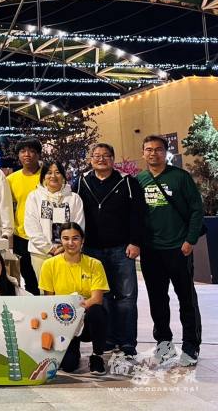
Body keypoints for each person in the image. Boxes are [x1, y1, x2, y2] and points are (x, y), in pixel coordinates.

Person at [137, 135, 203, 367]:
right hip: (151, 251)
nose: (153, 153)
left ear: (166, 153)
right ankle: (164, 343)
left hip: (178, 248)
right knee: (157, 299)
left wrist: (190, 240)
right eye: (148, 149)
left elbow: (196, 210)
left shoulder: (180, 177)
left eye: (158, 149)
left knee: (186, 298)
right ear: (143, 153)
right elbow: (134, 215)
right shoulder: (139, 180)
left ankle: (191, 345)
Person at [75, 142, 145, 358]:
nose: (101, 159)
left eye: (106, 155)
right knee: (101, 297)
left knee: (126, 297)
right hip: (92, 250)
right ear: (90, 159)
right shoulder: (81, 182)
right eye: (96, 155)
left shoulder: (128, 182)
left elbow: (138, 214)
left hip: (122, 249)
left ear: (113, 159)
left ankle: (127, 342)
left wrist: (135, 242)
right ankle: (106, 339)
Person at [38, 222, 109, 375]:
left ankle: (97, 355)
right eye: (66, 238)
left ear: (82, 240)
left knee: (97, 311)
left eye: (75, 238)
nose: (70, 243)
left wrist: (76, 310)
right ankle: (71, 349)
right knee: (69, 366)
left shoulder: (95, 264)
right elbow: (49, 301)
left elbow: (96, 299)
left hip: (86, 318)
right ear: (60, 241)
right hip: (63, 320)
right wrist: (68, 315)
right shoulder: (49, 265)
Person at [24, 160, 85, 278]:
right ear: (43, 177)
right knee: (45, 288)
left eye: (57, 172)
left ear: (63, 176)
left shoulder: (74, 198)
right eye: (49, 173)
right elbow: (31, 226)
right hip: (40, 254)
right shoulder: (34, 197)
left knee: (68, 286)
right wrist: (49, 248)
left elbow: (79, 226)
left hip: (69, 252)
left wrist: (64, 247)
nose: (53, 176)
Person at [6, 137, 43, 295]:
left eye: (32, 151)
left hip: (44, 236)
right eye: (23, 151)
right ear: (18, 155)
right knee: (28, 277)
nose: (27, 154)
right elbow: (6, 207)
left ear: (38, 154)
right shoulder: (11, 180)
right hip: (22, 236)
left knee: (48, 278)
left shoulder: (47, 175)